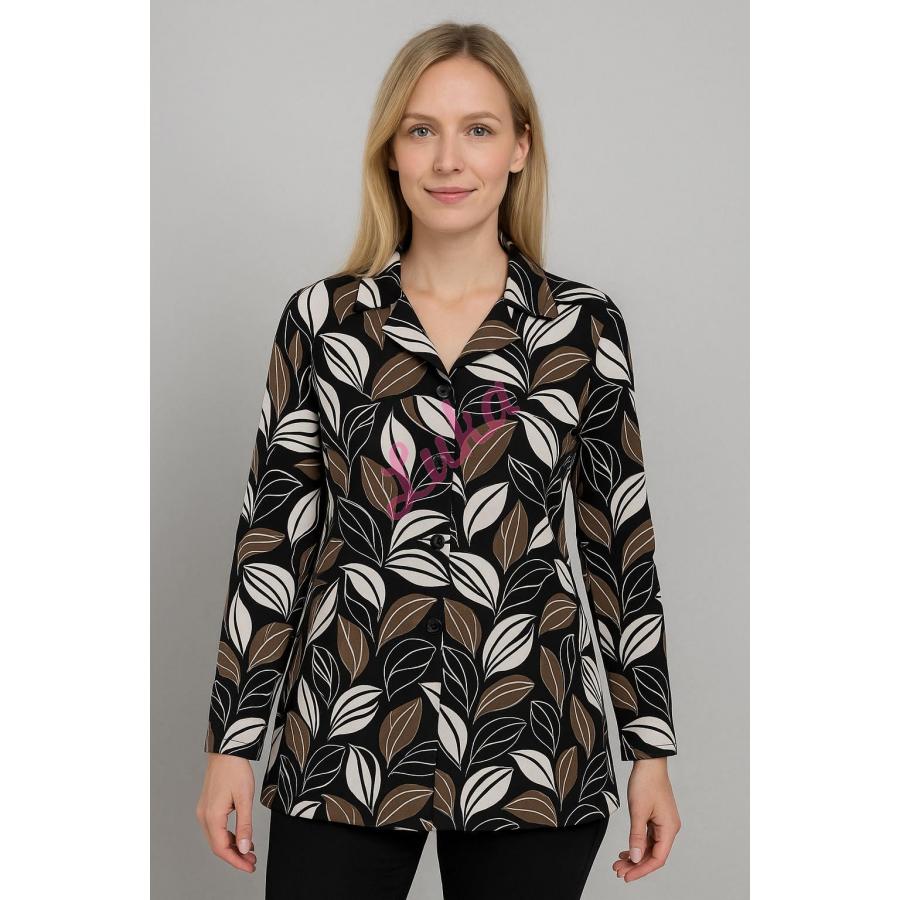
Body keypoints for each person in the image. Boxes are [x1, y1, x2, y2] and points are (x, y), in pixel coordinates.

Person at [196, 20, 682, 900]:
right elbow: (273, 543)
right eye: (421, 129)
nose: (448, 159)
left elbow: (619, 546)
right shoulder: (324, 323)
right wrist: (233, 743)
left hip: (533, 741)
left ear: (520, 148)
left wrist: (649, 751)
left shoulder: (581, 327)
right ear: (391, 151)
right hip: (342, 733)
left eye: (478, 129)